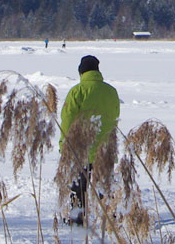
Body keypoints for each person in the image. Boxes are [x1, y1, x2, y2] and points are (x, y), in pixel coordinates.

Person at [59, 55, 121, 226]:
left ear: (81, 72)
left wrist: (64, 146)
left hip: (81, 151)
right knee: (105, 189)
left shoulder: (77, 92)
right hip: (106, 150)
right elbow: (115, 117)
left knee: (78, 189)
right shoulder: (111, 91)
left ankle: (77, 220)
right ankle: (110, 220)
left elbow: (67, 121)